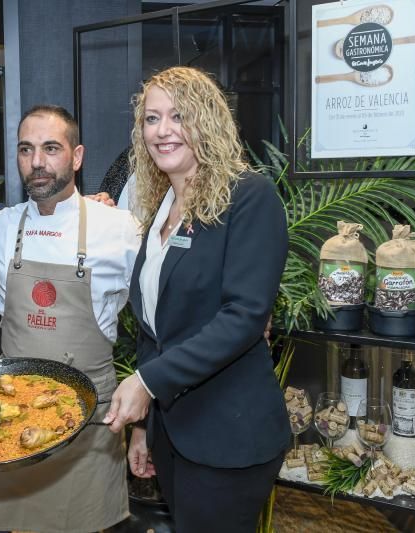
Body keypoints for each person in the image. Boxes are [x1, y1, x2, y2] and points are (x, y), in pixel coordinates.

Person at [102, 66, 290, 533]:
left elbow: (243, 318)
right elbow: (153, 327)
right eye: (151, 118)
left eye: (178, 116)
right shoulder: (162, 207)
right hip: (174, 432)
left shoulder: (251, 197)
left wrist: (146, 384)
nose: (162, 130)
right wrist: (145, 427)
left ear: (208, 120)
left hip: (229, 436)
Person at [0, 104, 138, 533]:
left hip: (89, 419)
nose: (37, 162)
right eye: (26, 149)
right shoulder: (3, 225)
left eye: (51, 148)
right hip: (6, 414)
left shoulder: (119, 227)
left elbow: (157, 306)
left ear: (76, 157)